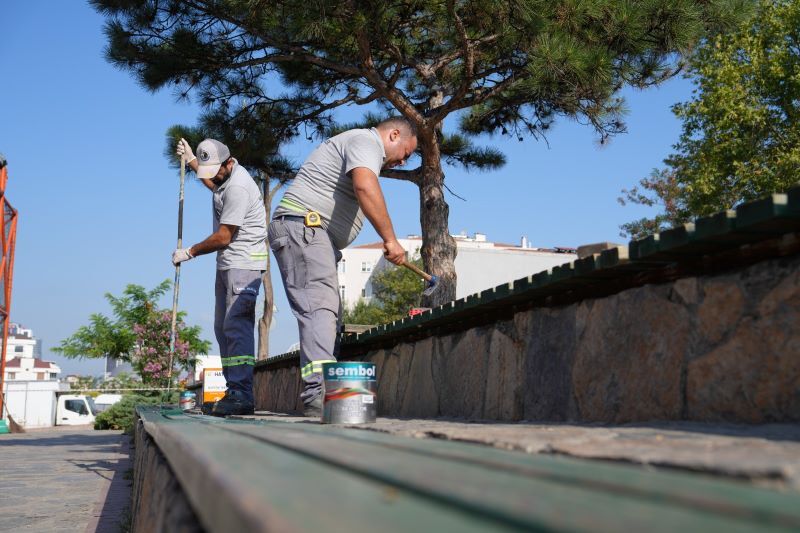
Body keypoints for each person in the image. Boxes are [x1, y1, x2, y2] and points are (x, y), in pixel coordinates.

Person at [270, 117, 418, 416]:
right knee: (320, 309)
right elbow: (365, 186)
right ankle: (321, 393)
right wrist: (390, 239)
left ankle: (323, 390)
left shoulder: (361, 145)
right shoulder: (366, 142)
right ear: (393, 134)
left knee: (326, 313)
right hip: (306, 229)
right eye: (406, 153)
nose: (403, 162)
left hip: (311, 234)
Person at [173, 138, 268, 416]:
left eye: (215, 169)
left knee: (236, 327)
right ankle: (233, 389)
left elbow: (224, 236)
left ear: (229, 162)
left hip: (243, 264)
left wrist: (189, 252)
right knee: (222, 328)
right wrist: (192, 160)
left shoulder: (238, 186)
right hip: (227, 264)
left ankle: (242, 393)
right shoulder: (224, 178)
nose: (211, 175)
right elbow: (214, 185)